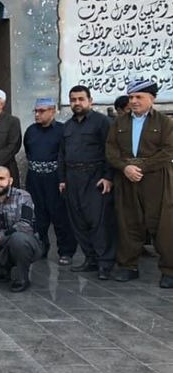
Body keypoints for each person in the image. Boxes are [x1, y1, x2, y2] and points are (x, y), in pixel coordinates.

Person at [105, 79, 173, 286]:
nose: (134, 101)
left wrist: (141, 168)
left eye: (139, 97)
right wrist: (125, 167)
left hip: (155, 178)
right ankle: (128, 266)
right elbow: (111, 149)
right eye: (131, 97)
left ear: (151, 99)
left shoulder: (164, 123)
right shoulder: (120, 122)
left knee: (162, 224)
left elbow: (168, 151)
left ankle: (169, 270)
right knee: (128, 222)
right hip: (126, 178)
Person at [59, 85, 116, 278]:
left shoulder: (102, 122)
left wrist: (108, 177)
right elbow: (62, 154)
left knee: (98, 222)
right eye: (73, 99)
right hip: (73, 178)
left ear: (90, 101)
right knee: (79, 222)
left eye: (81, 99)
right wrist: (62, 179)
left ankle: (105, 264)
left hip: (95, 177)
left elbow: (111, 152)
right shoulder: (67, 126)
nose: (77, 103)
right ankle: (90, 259)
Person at [23, 97, 77, 265]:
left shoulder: (62, 130)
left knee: (60, 216)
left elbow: (66, 155)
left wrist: (63, 178)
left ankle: (66, 251)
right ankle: (41, 248)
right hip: (35, 179)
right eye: (36, 111)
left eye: (41, 111)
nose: (37, 115)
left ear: (53, 111)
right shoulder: (31, 130)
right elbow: (28, 151)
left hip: (55, 179)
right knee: (38, 216)